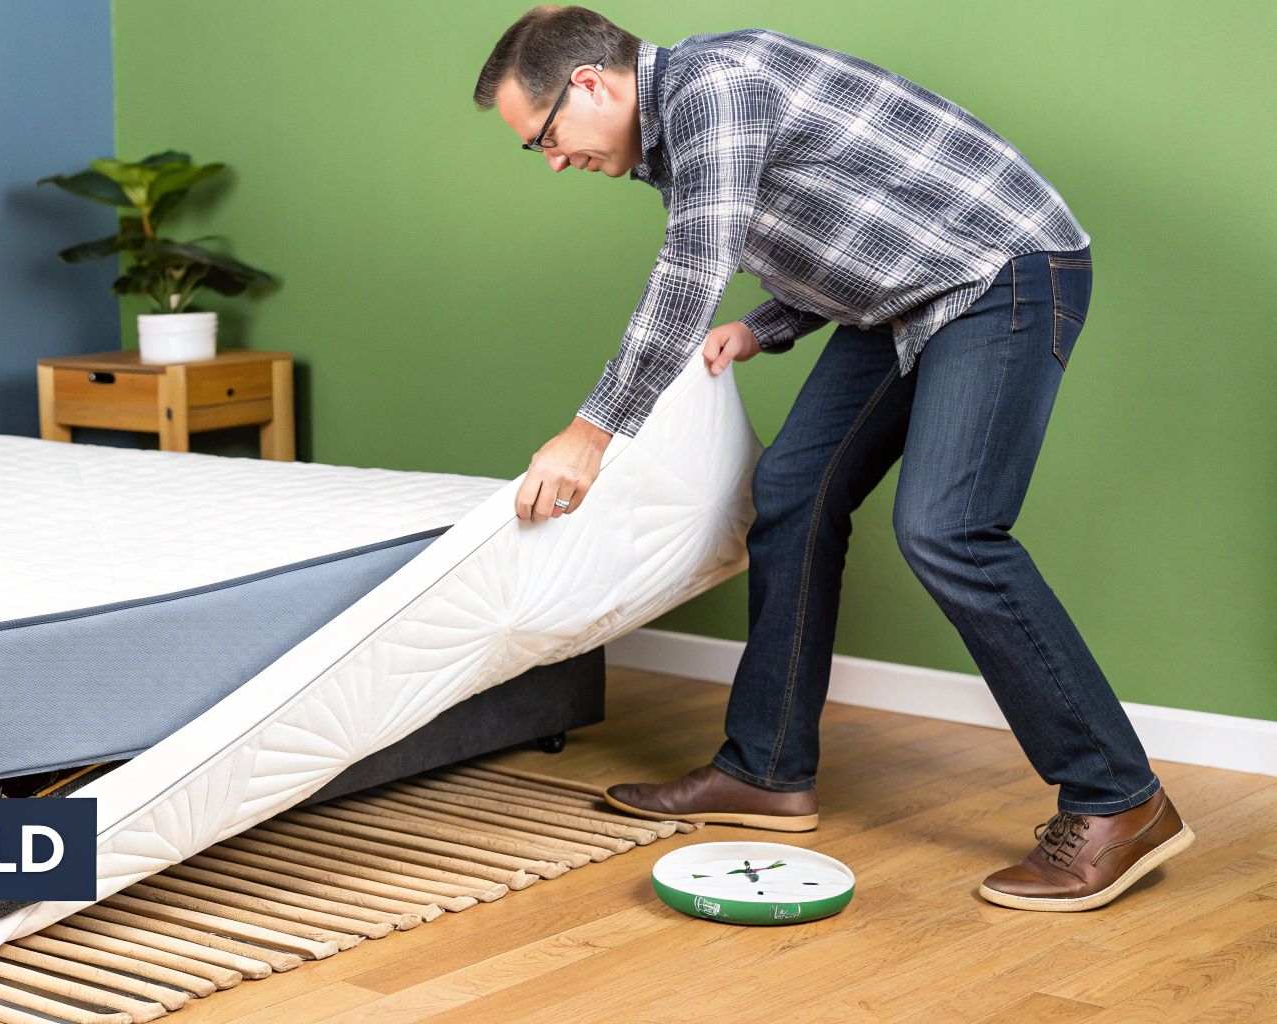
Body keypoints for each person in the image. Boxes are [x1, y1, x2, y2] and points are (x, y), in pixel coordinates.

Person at [474, 5, 1193, 911]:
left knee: (949, 529)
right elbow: (855, 221)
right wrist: (767, 323)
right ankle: (767, 770)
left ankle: (1118, 800)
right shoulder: (681, 125)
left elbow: (693, 266)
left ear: (589, 83)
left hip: (1001, 271)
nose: (551, 160)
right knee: (793, 488)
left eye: (543, 136)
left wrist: (592, 432)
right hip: (913, 292)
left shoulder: (713, 88)